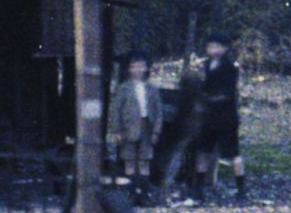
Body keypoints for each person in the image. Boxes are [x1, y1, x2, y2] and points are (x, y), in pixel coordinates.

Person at [192, 34, 245, 200]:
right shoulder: (206, 65)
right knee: (203, 151)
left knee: (233, 153)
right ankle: (198, 187)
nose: (213, 50)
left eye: (217, 46)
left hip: (226, 116)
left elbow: (227, 93)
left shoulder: (230, 67)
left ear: (225, 48)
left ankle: (241, 188)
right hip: (208, 117)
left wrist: (206, 99)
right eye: (210, 47)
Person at [105, 52, 162, 196]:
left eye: (141, 66)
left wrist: (156, 131)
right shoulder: (123, 88)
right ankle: (130, 192)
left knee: (144, 160)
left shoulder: (152, 89)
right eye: (134, 66)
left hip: (146, 127)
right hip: (128, 128)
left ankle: (143, 192)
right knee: (129, 159)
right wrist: (116, 131)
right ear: (129, 69)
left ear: (146, 68)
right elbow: (115, 110)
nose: (138, 70)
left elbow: (158, 112)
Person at [151, 49, 204, 200]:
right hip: (187, 131)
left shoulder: (184, 97)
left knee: (174, 155)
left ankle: (166, 183)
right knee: (179, 156)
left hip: (183, 131)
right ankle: (179, 182)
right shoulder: (196, 98)